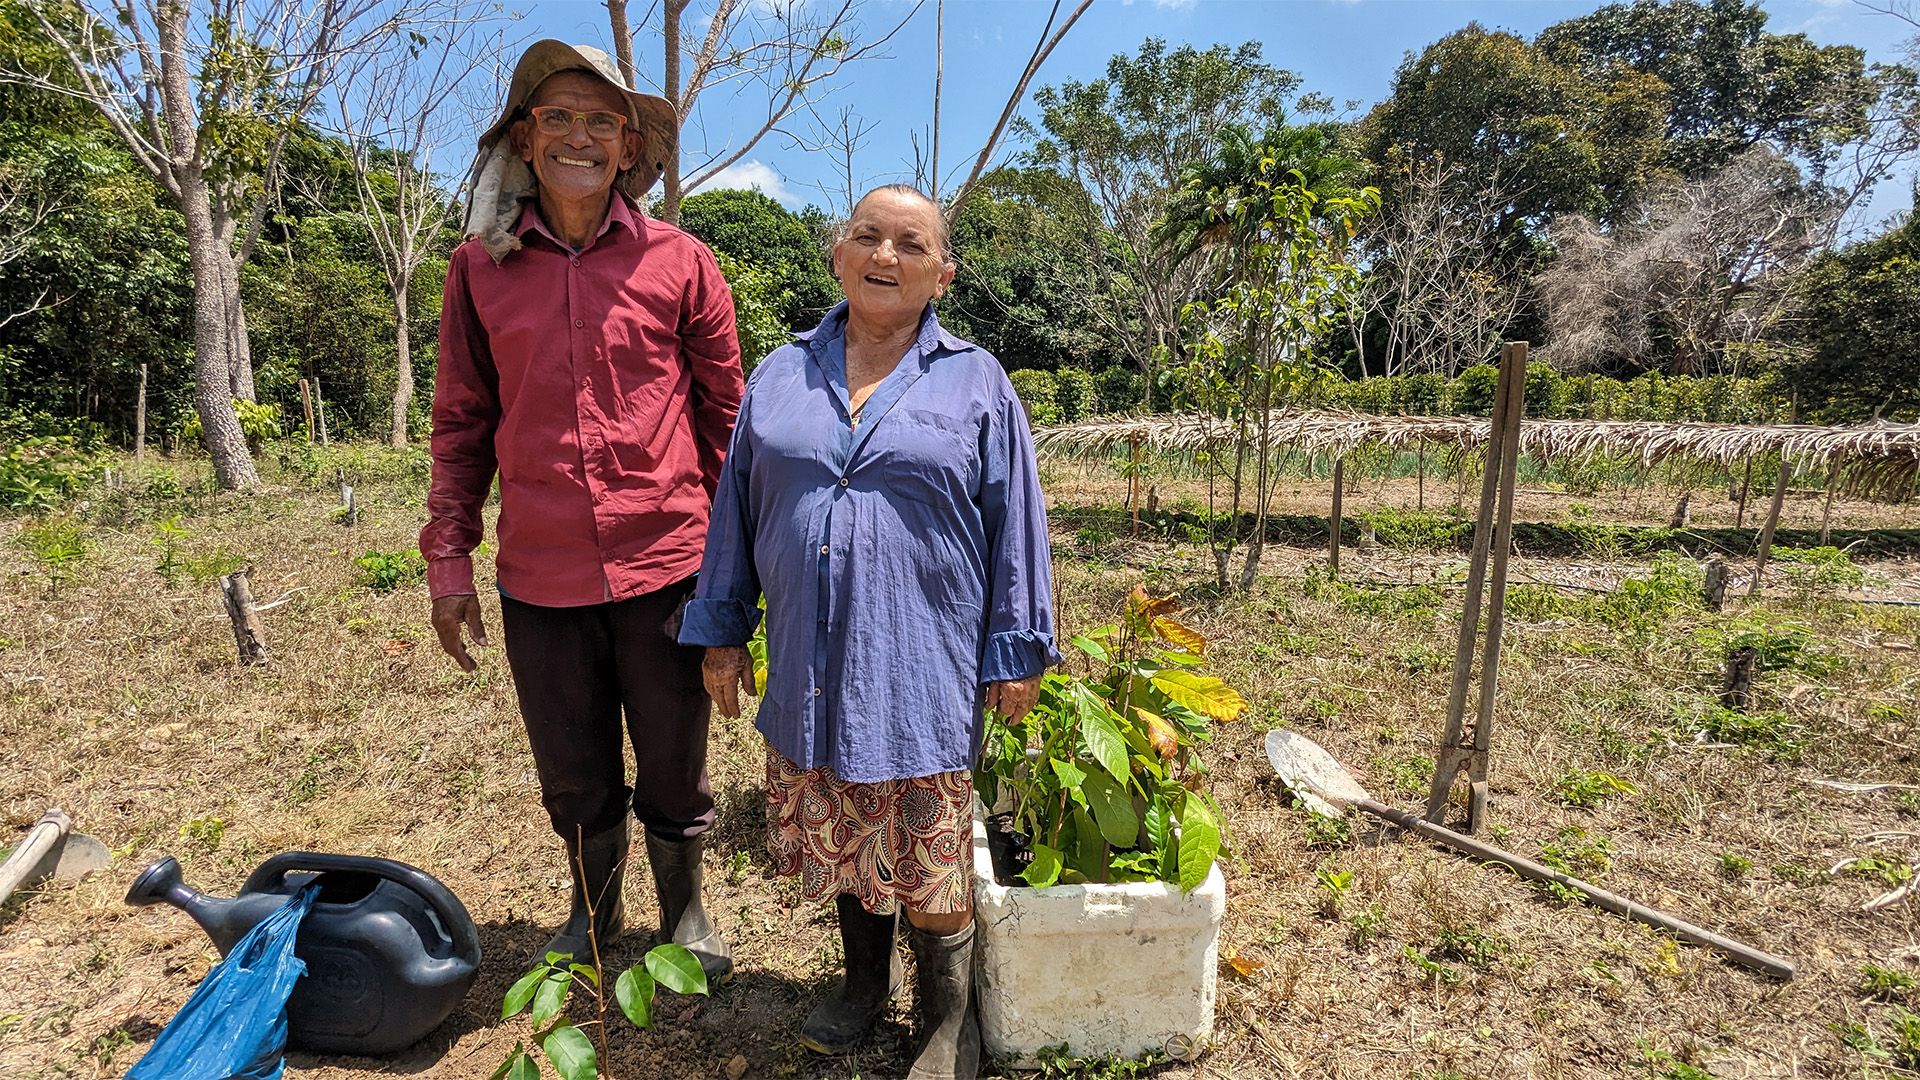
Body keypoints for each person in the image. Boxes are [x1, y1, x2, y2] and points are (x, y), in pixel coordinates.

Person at [678, 184, 1059, 1080]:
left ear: (942, 275)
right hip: (810, 659)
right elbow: (734, 507)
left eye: (910, 244)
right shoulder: (779, 374)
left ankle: (945, 1016)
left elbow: (1019, 528)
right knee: (844, 839)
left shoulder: (977, 380)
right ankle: (860, 988)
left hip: (921, 662)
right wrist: (722, 628)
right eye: (868, 237)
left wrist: (1017, 650)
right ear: (838, 256)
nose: (886, 256)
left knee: (925, 849)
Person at [420, 40, 742, 985]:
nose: (579, 136)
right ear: (525, 137)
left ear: (629, 146)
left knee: (676, 760)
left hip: (668, 566)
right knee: (573, 768)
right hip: (541, 573)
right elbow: (461, 423)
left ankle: (684, 908)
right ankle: (592, 914)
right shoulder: (480, 269)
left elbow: (727, 427)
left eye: (602, 120)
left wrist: (735, 585)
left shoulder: (682, 264)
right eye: (558, 115)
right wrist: (449, 562)